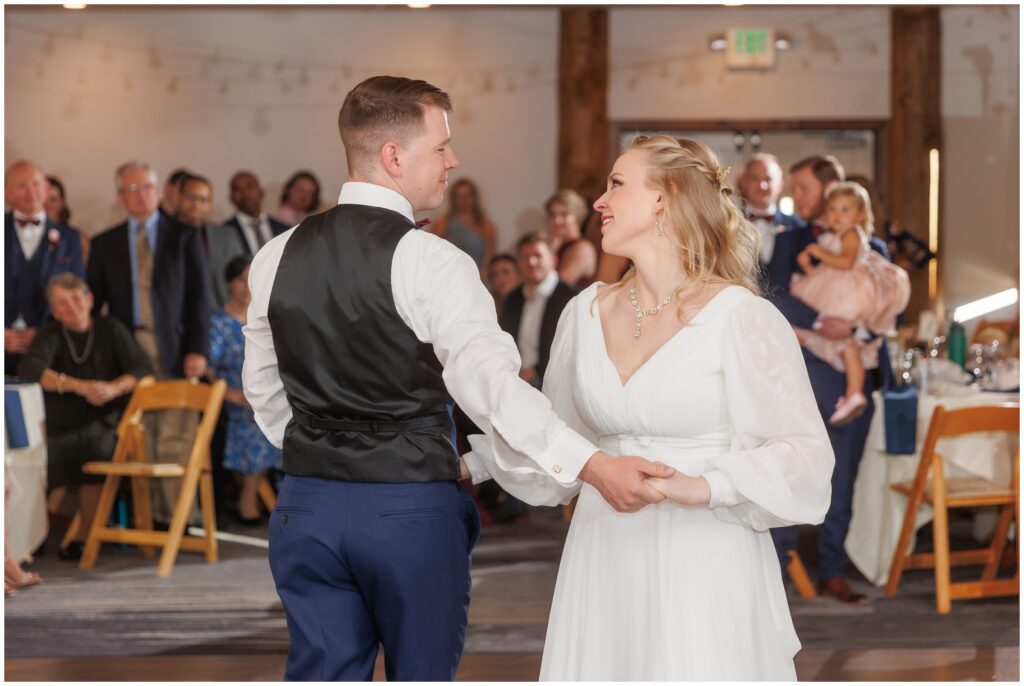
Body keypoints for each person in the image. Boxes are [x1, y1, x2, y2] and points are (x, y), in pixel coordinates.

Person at [243, 75, 671, 681]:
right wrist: (591, 465)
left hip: (305, 506)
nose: (454, 160)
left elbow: (264, 393)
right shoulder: (432, 262)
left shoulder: (276, 253)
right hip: (408, 508)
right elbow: (491, 390)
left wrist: (324, 452)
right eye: (441, 146)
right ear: (394, 157)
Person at [463, 134, 834, 680]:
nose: (599, 201)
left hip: (706, 551)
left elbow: (806, 458)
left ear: (666, 197)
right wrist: (465, 465)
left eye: (616, 184)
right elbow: (556, 440)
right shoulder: (584, 313)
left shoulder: (742, 318)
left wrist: (705, 485)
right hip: (603, 550)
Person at [767, 154, 894, 604]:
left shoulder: (871, 248)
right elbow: (776, 299)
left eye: (802, 188)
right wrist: (825, 321)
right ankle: (779, 569)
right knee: (786, 468)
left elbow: (885, 305)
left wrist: (855, 330)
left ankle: (832, 570)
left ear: (830, 190)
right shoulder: (790, 241)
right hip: (803, 375)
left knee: (843, 479)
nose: (795, 197)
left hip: (853, 377)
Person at [87, 160, 211, 523]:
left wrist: (198, 349)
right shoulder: (104, 243)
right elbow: (95, 305)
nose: (139, 196)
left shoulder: (184, 234)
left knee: (177, 432)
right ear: (120, 197)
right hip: (129, 348)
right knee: (141, 433)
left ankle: (180, 519)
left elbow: (200, 298)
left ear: (159, 192)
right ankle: (150, 518)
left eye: (146, 188)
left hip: (175, 346)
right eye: (130, 189)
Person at [16, 273, 153, 559]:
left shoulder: (111, 329)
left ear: (89, 299)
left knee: (95, 449)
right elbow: (31, 370)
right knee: (32, 457)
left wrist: (113, 388)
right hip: (55, 424)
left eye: (76, 298)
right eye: (61, 303)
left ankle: (85, 535)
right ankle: (31, 536)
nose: (71, 306)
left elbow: (142, 370)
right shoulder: (50, 333)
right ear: (54, 310)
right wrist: (79, 386)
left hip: (101, 421)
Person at [791, 182, 910, 425]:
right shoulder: (833, 236)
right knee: (845, 346)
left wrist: (818, 251)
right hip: (832, 289)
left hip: (847, 293)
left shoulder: (852, 234)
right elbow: (819, 270)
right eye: (833, 209)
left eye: (845, 210)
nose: (837, 215)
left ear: (860, 215)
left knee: (842, 341)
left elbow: (845, 262)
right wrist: (806, 262)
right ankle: (853, 394)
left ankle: (854, 393)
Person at [208, 256, 281, 524]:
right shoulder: (218, 323)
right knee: (255, 423)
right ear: (229, 283)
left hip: (265, 394)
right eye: (241, 279)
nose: (246, 286)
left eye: (251, 279)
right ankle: (248, 503)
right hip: (230, 397)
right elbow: (208, 370)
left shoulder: (267, 319)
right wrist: (234, 395)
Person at [5, 160, 84, 373]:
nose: (30, 191)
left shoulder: (70, 239)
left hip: (50, 354)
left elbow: (77, 295)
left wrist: (44, 333)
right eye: (21, 186)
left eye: (35, 183)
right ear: (7, 193)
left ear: (47, 189)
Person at [499, 232, 576, 389]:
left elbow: (571, 348)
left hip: (558, 384)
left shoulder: (572, 298)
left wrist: (535, 372)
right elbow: (503, 341)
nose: (531, 262)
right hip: (515, 382)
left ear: (553, 259)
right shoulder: (513, 298)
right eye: (525, 257)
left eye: (538, 255)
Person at [208, 171, 290, 310]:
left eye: (250, 186)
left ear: (261, 192)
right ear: (231, 198)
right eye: (237, 189)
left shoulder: (284, 229)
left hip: (282, 305)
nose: (245, 193)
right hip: (244, 309)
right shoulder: (223, 233)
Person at [736, 153, 803, 267]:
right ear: (744, 182)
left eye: (768, 179)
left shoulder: (797, 226)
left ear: (780, 184)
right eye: (755, 178)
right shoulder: (727, 223)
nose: (762, 186)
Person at [430, 177, 496, 272]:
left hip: (477, 276)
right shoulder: (442, 223)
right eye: (459, 196)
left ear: (474, 197)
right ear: (453, 199)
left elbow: (488, 261)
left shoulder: (486, 226)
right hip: (449, 275)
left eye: (467, 196)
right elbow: (434, 253)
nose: (463, 200)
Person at [546, 188, 598, 288]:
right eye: (553, 214)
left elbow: (557, 288)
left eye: (564, 214)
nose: (557, 220)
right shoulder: (554, 244)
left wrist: (551, 252)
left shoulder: (583, 248)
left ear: (577, 216)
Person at [44, 175, 91, 265]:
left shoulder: (79, 239)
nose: (47, 206)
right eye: (44, 200)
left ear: (62, 203)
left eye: (53, 200)